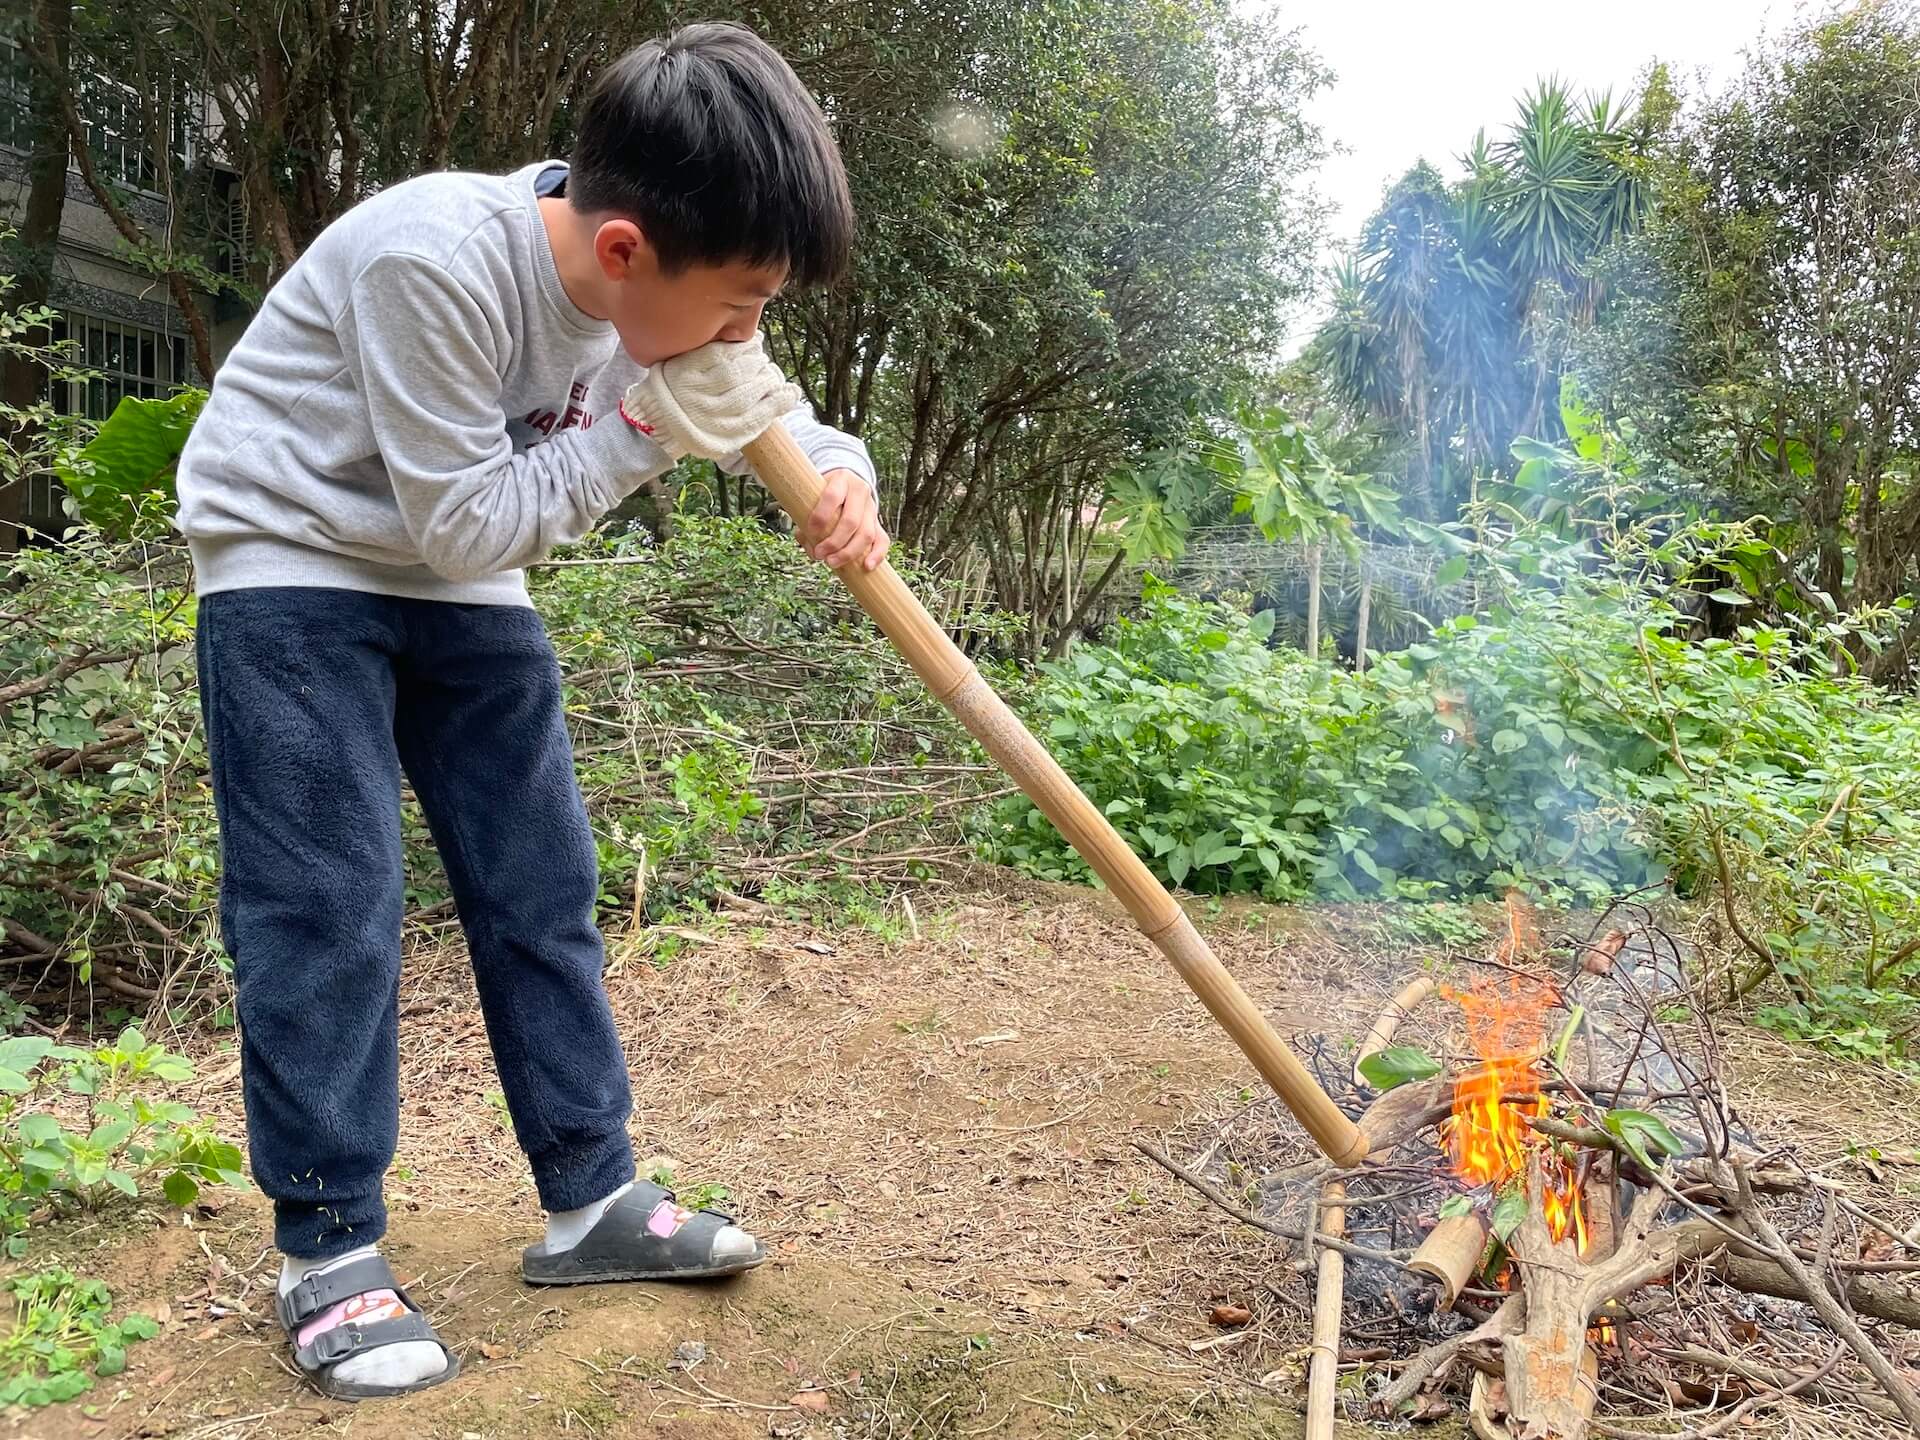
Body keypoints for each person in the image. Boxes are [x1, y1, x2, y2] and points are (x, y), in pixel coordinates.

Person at [172, 22, 887, 1401]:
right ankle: (326, 1251)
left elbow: (762, 410)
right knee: (327, 900)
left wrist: (840, 473)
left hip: (462, 578)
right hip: (295, 556)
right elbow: (466, 522)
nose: (749, 332)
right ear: (625, 252)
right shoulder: (432, 258)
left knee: (540, 882)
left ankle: (591, 1199)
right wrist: (637, 433)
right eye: (739, 302)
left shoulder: (668, 291)